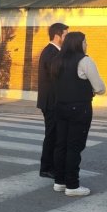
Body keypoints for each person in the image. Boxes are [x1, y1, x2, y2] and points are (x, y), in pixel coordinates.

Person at [49, 31, 106, 197]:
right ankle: (72, 185)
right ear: (78, 43)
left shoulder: (56, 60)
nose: (86, 45)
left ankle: (60, 181)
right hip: (79, 108)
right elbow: (100, 88)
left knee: (61, 145)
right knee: (74, 146)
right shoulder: (84, 61)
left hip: (60, 107)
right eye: (85, 42)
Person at [36, 22, 68, 179]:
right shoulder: (50, 52)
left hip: (54, 100)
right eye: (65, 35)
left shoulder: (56, 52)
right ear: (57, 36)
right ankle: (46, 168)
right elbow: (58, 75)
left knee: (55, 134)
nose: (67, 38)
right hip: (50, 101)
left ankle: (53, 166)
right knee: (52, 135)